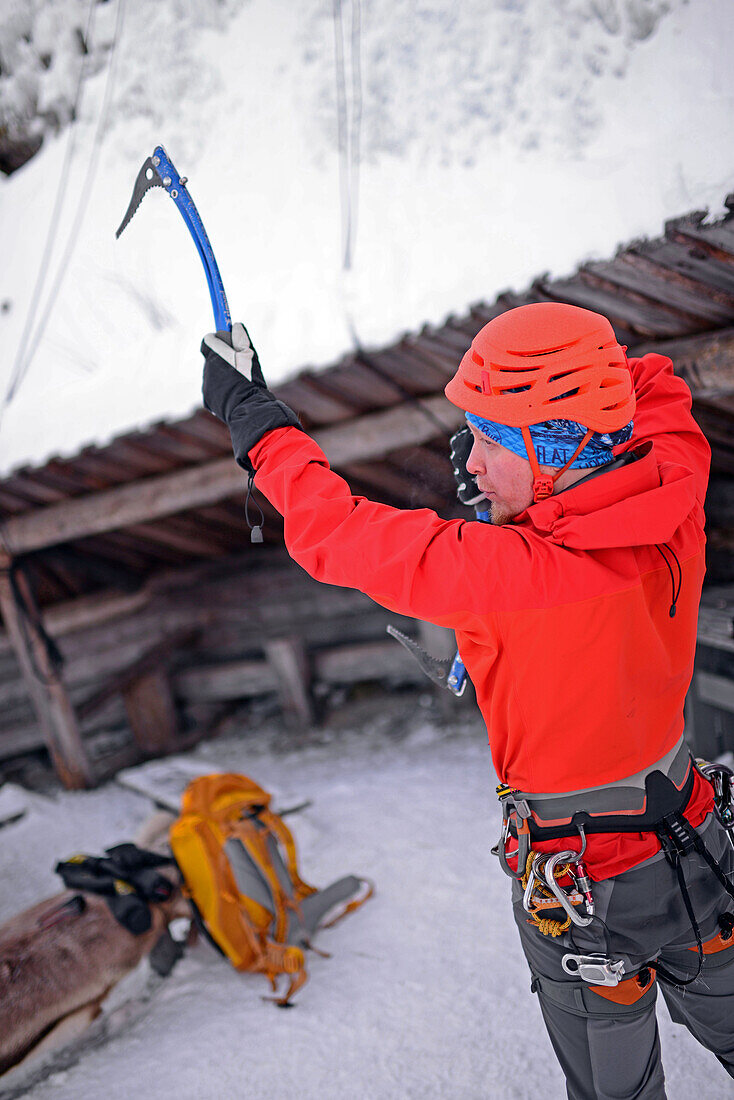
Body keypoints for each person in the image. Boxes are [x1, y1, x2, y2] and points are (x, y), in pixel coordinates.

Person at [201, 302, 734, 1098]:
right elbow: (648, 385)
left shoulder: (515, 575)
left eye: (490, 438)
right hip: (698, 852)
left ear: (559, 447)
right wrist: (537, 474)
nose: (472, 462)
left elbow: (337, 534)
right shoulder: (674, 484)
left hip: (587, 895)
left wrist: (258, 422)